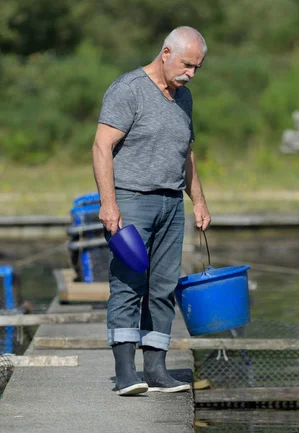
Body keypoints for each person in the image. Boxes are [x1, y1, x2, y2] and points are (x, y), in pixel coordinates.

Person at [92, 26, 211, 396]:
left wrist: (200, 199)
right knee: (129, 283)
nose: (191, 73)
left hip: (171, 203)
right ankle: (126, 372)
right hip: (131, 201)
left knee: (162, 288)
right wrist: (109, 204)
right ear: (165, 54)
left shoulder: (184, 98)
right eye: (187, 65)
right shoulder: (127, 90)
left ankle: (157, 369)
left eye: (197, 68)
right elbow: (101, 147)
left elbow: (185, 153)